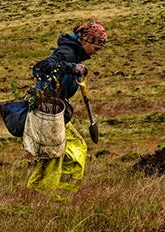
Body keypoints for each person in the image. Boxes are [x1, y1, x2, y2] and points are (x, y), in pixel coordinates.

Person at [26, 20, 107, 199]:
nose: (97, 53)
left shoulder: (74, 52)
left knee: (64, 152)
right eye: (96, 47)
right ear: (85, 40)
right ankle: (45, 197)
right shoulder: (67, 52)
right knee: (57, 154)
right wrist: (72, 67)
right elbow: (40, 67)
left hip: (53, 110)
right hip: (47, 110)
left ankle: (51, 197)